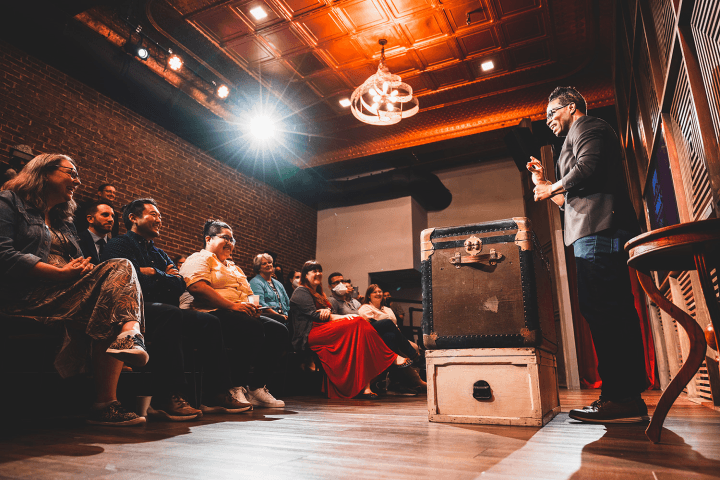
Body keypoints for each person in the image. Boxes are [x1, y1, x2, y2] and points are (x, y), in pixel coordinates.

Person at [527, 86, 648, 423]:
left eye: (552, 112)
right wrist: (545, 182)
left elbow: (588, 169)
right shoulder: (575, 137)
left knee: (606, 309)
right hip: (588, 230)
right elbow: (569, 203)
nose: (548, 120)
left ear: (572, 106)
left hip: (600, 231)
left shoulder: (590, 126)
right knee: (604, 309)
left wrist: (552, 185)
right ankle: (622, 396)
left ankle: (622, 398)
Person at [0, 154, 148, 426]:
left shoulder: (63, 220)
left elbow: (78, 260)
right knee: (120, 270)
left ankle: (124, 348)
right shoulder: (9, 202)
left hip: (63, 292)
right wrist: (57, 272)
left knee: (115, 285)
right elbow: (4, 254)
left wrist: (80, 269)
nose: (78, 181)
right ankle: (128, 342)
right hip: (23, 295)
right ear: (44, 172)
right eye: (72, 173)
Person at [104, 201, 250, 420]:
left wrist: (154, 273)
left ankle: (215, 393)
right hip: (130, 309)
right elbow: (127, 281)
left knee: (208, 322)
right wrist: (163, 277)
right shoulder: (118, 245)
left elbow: (179, 285)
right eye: (153, 214)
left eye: (160, 215)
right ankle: (166, 396)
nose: (159, 219)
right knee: (169, 313)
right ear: (133, 218)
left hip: (160, 307)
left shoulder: (159, 253)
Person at [179, 220, 287, 408]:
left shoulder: (234, 267)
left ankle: (256, 388)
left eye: (232, 239)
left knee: (279, 330)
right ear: (208, 239)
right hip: (209, 312)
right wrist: (233, 306)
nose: (230, 243)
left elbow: (249, 295)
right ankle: (235, 387)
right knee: (251, 328)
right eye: (225, 238)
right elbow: (198, 287)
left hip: (236, 312)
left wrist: (252, 307)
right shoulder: (199, 259)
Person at [289, 261, 399, 399]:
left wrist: (328, 311)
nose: (318, 273)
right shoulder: (301, 291)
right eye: (313, 271)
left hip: (323, 328)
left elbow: (326, 311)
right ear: (305, 275)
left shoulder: (319, 293)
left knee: (359, 329)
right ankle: (391, 357)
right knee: (358, 321)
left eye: (319, 270)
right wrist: (344, 315)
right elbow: (316, 315)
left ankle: (366, 387)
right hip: (310, 333)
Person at [359, 284, 426, 394]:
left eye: (380, 291)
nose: (378, 293)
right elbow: (368, 323)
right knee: (388, 324)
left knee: (392, 337)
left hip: (390, 335)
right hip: (373, 335)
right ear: (369, 295)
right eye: (374, 292)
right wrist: (388, 325)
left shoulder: (388, 309)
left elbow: (395, 326)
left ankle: (398, 382)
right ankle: (415, 358)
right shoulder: (365, 307)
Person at [249, 253, 290, 324]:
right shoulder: (254, 282)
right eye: (264, 263)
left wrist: (287, 316)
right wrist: (278, 316)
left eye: (270, 262)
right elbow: (260, 305)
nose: (268, 265)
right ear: (258, 268)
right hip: (268, 320)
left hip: (284, 319)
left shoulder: (278, 284)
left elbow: (287, 302)